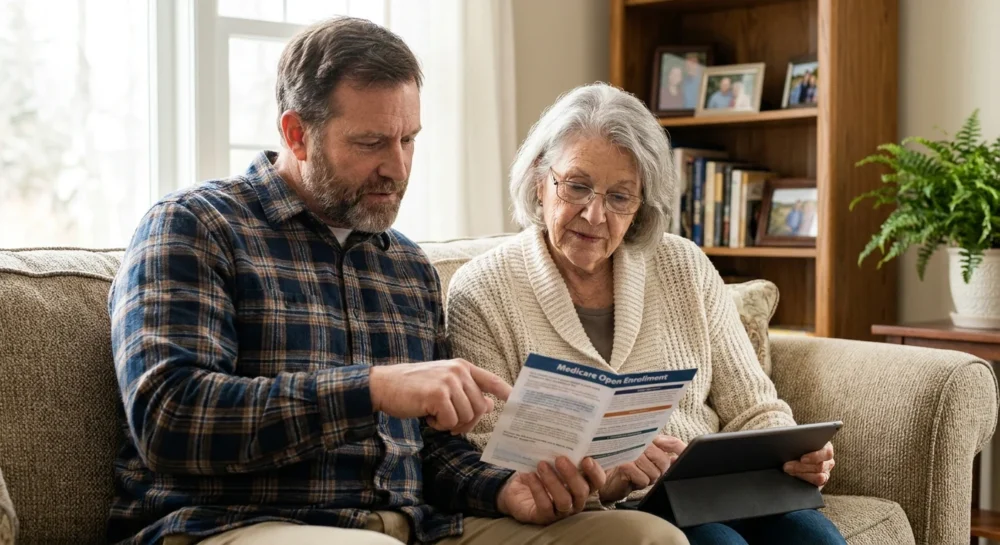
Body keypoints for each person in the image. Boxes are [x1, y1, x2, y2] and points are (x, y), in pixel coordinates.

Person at [107, 18, 684, 545]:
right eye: (370, 143)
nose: (399, 167)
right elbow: (170, 417)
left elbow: (433, 452)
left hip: (419, 529)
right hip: (237, 525)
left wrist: (503, 490)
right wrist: (371, 388)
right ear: (297, 133)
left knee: (643, 537)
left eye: (408, 139)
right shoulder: (195, 227)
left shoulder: (405, 269)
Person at [446, 82, 846, 545]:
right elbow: (488, 455)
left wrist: (794, 451)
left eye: (620, 197)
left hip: (714, 488)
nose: (595, 215)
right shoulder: (483, 290)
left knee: (815, 538)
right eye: (577, 186)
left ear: (640, 207)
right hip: (606, 510)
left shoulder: (683, 266)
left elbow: (754, 407)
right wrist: (604, 480)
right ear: (541, 181)